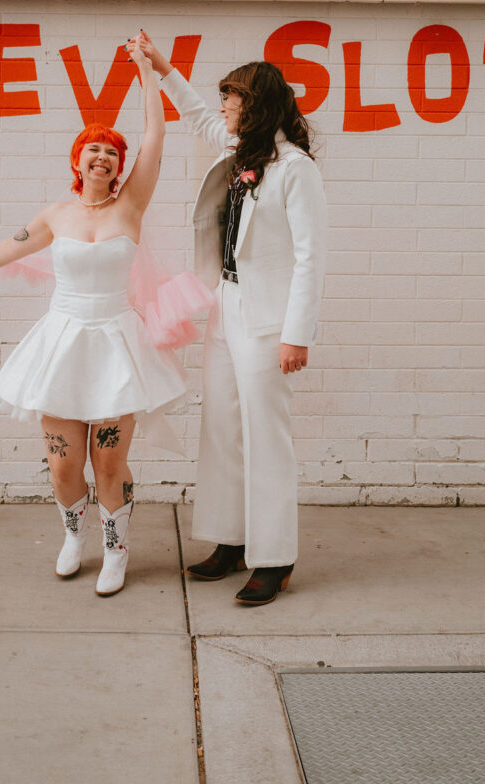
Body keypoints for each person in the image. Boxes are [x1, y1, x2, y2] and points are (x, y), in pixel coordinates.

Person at [0, 37, 186, 597]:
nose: (104, 157)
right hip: (62, 345)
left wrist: (146, 73)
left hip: (115, 343)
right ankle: (73, 535)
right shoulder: (56, 214)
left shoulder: (130, 205)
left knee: (109, 465)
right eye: (93, 150)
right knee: (64, 468)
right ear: (77, 161)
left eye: (112, 151)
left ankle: (116, 550)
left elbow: (156, 136)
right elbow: (13, 245)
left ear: (119, 166)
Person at [129, 31, 327, 606]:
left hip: (269, 320)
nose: (222, 108)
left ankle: (275, 559)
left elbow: (312, 257)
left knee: (266, 436)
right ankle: (231, 541)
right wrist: (162, 67)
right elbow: (193, 114)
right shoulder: (238, 152)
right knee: (221, 425)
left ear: (256, 104)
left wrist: (298, 335)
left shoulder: (295, 170)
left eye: (231, 100)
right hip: (227, 306)